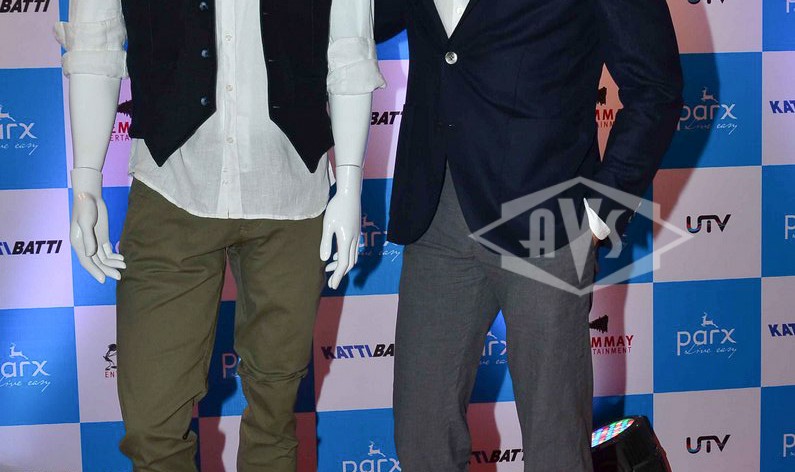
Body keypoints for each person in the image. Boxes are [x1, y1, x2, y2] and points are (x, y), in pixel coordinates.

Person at [55, 0, 383, 470]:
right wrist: (85, 184)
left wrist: (349, 185)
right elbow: (95, 44)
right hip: (171, 187)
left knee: (274, 417)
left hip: (291, 189)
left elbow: (349, 51)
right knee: (151, 425)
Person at [375, 0, 683, 470]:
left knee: (554, 440)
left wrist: (599, 213)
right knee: (422, 435)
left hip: (549, 215)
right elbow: (375, 20)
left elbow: (655, 85)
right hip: (437, 206)